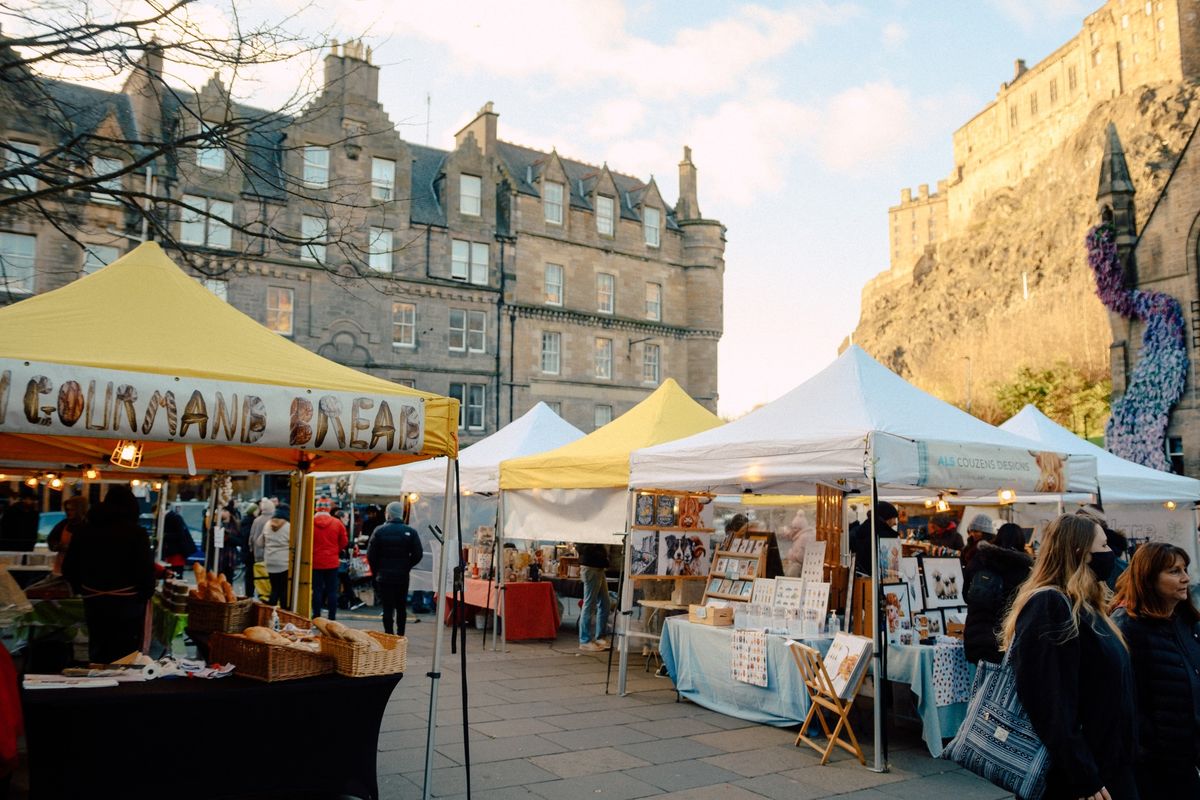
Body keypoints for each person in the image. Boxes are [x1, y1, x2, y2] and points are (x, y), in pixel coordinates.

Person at [1001, 513, 1137, 800]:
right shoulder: (1050, 605)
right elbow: (1049, 701)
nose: (1111, 553)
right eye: (1103, 546)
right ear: (1080, 553)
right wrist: (1083, 774)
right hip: (1077, 776)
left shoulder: (1087, 605)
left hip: (1106, 762)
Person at [1111, 542, 1200, 795]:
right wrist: (1148, 744)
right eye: (1174, 571)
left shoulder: (1185, 621)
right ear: (1149, 578)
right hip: (1154, 764)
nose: (1185, 578)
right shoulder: (1129, 627)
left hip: (1186, 756)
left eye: (1184, 569)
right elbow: (1124, 701)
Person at [62, 486, 156, 664]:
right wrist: (144, 594)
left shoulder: (84, 531)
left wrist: (81, 588)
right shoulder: (136, 533)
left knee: (98, 647)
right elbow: (145, 570)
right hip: (127, 603)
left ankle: (98, 684)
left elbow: (69, 568)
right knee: (125, 653)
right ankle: (122, 688)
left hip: (94, 600)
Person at [962, 522, 1032, 664]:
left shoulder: (978, 560)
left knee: (979, 683)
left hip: (974, 636)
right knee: (999, 685)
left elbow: (966, 596)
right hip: (1003, 638)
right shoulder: (1023, 569)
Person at [367, 501, 424, 636]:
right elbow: (418, 554)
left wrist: (378, 570)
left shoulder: (379, 531)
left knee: (387, 607)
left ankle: (388, 634)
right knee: (401, 607)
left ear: (388, 514)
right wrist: (407, 565)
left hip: (384, 576)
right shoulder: (410, 531)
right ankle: (400, 635)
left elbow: (371, 555)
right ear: (401, 514)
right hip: (402, 576)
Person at [311, 508, 347, 619]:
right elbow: (344, 541)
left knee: (317, 590)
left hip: (315, 561)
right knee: (332, 590)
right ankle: (332, 617)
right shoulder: (337, 523)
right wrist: (336, 550)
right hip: (332, 562)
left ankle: (316, 615)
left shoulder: (310, 522)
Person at [577, 542, 611, 652]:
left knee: (605, 603)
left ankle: (599, 637)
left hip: (598, 566)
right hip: (591, 566)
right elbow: (581, 547)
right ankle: (585, 640)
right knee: (589, 604)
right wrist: (600, 553)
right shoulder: (586, 535)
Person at [850, 501, 899, 576]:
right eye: (894, 518)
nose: (895, 522)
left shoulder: (863, 529)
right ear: (887, 517)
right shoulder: (884, 535)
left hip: (862, 576)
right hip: (877, 579)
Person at [258, 504, 291, 608]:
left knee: (274, 588)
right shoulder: (288, 526)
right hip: (284, 563)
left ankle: (271, 610)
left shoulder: (268, 524)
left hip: (270, 562)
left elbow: (259, 543)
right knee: (284, 589)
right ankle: (284, 612)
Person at [47, 495, 88, 575]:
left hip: (81, 570)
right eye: (67, 510)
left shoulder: (88, 526)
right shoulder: (63, 524)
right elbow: (51, 540)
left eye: (72, 510)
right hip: (61, 569)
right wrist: (57, 546)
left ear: (80, 510)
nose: (69, 512)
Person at [0, 484, 38, 551]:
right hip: (12, 544)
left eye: (33, 500)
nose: (32, 502)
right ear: (24, 499)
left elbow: (33, 529)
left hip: (26, 544)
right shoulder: (12, 511)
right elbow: (4, 527)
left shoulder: (33, 513)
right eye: (30, 499)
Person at [161, 507, 197, 574]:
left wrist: (165, 536)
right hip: (176, 551)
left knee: (175, 572)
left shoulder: (172, 518)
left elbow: (180, 534)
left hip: (176, 552)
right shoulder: (175, 516)